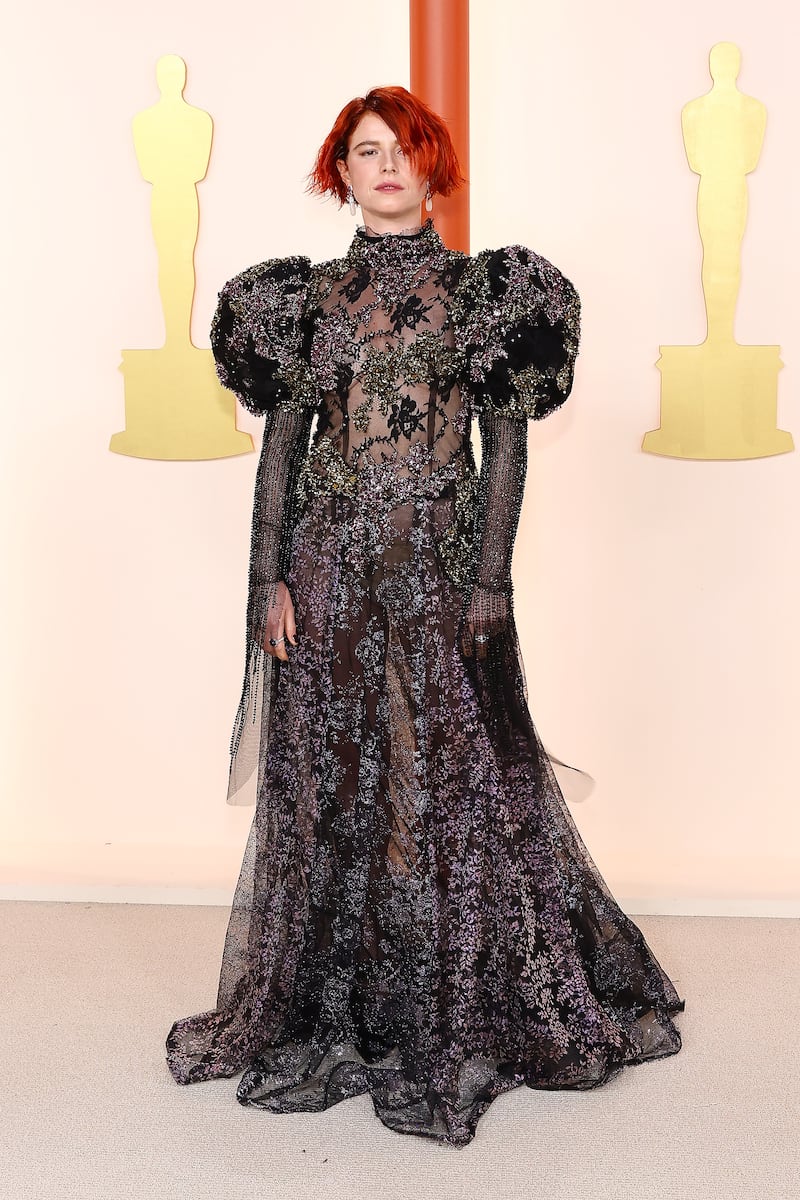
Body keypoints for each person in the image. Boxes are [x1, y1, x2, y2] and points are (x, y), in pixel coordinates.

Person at [166, 86, 684, 1148]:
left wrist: (488, 580)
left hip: (440, 568)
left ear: (430, 163)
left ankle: (454, 994)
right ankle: (338, 1000)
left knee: (453, 772)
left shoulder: (487, 293)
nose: (386, 166)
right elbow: (281, 454)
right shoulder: (301, 300)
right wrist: (268, 579)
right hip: (325, 568)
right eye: (365, 152)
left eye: (403, 148)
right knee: (331, 776)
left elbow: (507, 449)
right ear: (339, 174)